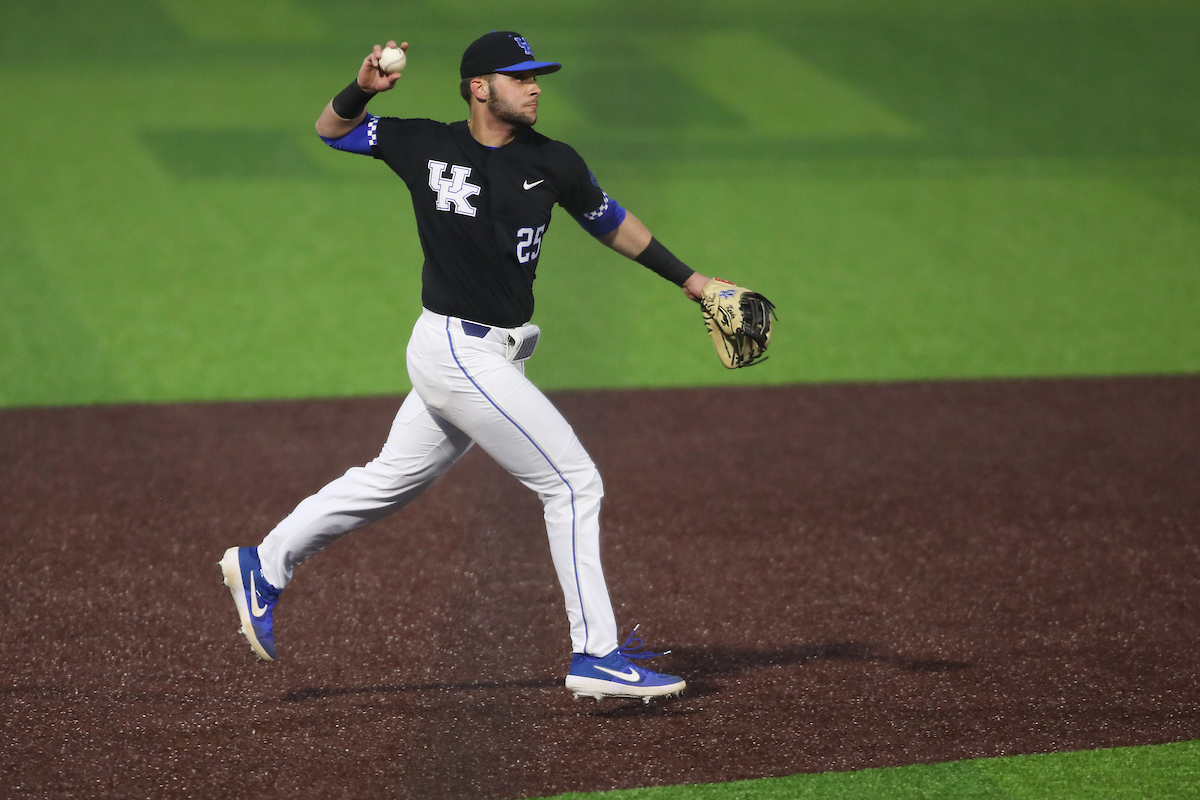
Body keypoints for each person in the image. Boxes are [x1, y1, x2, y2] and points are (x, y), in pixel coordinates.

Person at [220, 31, 709, 703]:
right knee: (573, 485)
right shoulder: (424, 143)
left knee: (391, 479)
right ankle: (596, 654)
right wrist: (362, 87)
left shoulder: (553, 160)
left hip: (489, 355)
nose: (535, 87)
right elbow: (332, 131)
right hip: (456, 351)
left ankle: (263, 564)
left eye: (536, 77)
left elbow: (608, 220)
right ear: (480, 87)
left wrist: (693, 282)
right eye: (520, 76)